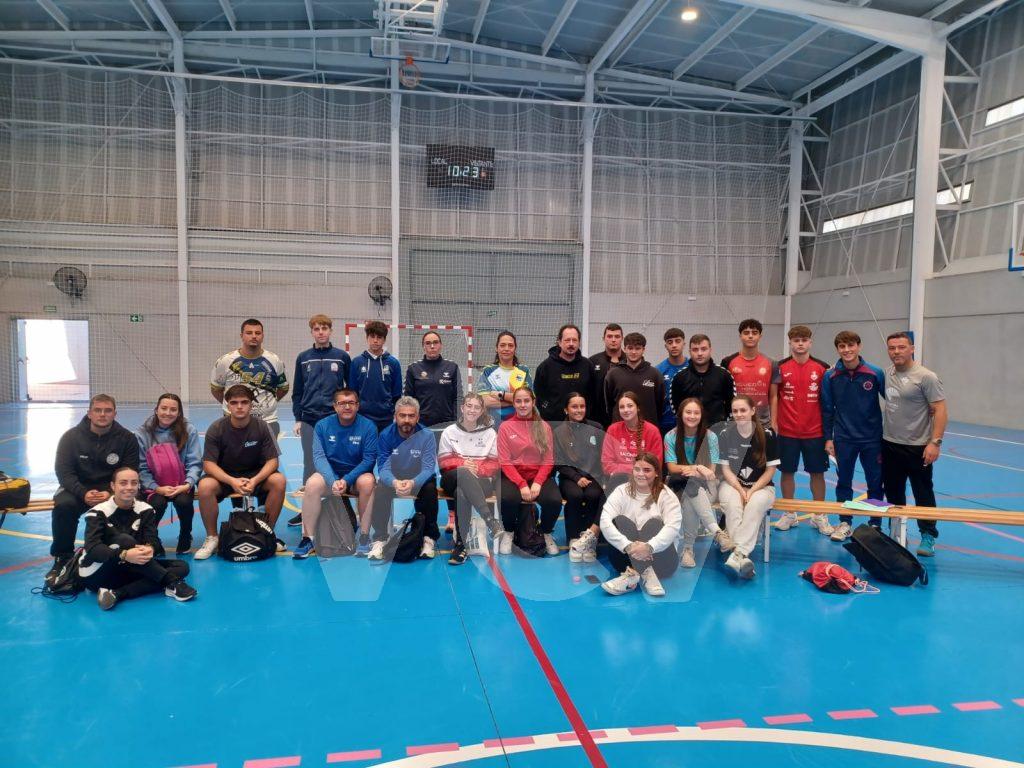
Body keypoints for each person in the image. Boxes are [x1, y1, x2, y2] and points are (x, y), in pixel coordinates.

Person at [48, 394, 139, 586]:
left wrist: (111, 492)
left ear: (115, 414)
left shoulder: (127, 438)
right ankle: (62, 557)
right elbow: (64, 472)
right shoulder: (70, 437)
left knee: (129, 504)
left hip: (111, 489)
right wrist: (82, 493)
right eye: (98, 410)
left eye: (108, 410)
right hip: (77, 489)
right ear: (89, 413)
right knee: (64, 506)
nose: (102, 414)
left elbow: (130, 470)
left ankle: (118, 553)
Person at [79, 467, 196, 610]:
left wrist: (150, 548)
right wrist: (124, 554)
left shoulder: (146, 509)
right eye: (123, 483)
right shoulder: (97, 512)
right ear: (113, 486)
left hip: (128, 568)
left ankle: (117, 594)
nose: (129, 487)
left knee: (181, 566)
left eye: (134, 483)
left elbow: (153, 540)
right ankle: (172, 582)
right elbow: (93, 548)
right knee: (125, 540)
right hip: (97, 574)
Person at [194, 384, 286, 560]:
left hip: (255, 476)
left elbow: (273, 461)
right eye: (234, 402)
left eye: (244, 402)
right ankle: (212, 538)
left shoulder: (262, 427)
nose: (239, 406)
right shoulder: (216, 428)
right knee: (205, 486)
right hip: (226, 477)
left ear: (251, 404)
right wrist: (231, 481)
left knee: (278, 481)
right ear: (227, 405)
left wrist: (255, 480)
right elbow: (208, 465)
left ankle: (267, 533)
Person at [882, 332, 948, 557]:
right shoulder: (887, 373)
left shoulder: (926, 377)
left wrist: (935, 442)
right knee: (893, 492)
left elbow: (940, 409)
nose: (896, 352)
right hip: (890, 444)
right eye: (892, 348)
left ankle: (928, 535)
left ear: (912, 349)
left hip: (918, 447)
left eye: (901, 347)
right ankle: (896, 531)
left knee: (923, 493)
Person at [292, 389, 378, 560]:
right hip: (330, 476)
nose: (347, 407)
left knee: (368, 482)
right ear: (335, 406)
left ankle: (364, 536)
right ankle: (308, 539)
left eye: (351, 403)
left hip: (355, 477)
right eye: (342, 403)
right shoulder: (322, 425)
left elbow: (369, 460)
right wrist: (332, 481)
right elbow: (319, 457)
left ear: (358, 406)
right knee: (312, 484)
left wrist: (346, 480)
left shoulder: (368, 426)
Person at [821, 330, 886, 542]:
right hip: (844, 438)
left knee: (875, 482)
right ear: (837, 349)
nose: (847, 350)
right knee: (844, 482)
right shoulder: (830, 376)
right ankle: (845, 522)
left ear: (859, 346)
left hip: (872, 439)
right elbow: (827, 409)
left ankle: (875, 523)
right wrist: (828, 438)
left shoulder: (875, 373)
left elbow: (894, 401)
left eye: (851, 345)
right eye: (842, 346)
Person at [769, 325, 833, 536]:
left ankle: (819, 515)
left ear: (810, 343)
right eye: (796, 340)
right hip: (787, 432)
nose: (800, 344)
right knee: (787, 472)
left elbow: (827, 401)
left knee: (817, 473)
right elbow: (774, 396)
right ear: (790, 343)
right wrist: (774, 422)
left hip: (815, 432)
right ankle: (789, 513)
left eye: (804, 340)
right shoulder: (780, 367)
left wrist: (829, 433)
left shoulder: (822, 368)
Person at [367, 397, 440, 561]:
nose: (406, 419)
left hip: (419, 478)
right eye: (402, 415)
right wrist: (394, 482)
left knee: (430, 490)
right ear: (395, 416)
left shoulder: (427, 435)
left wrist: (413, 482)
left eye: (411, 415)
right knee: (380, 489)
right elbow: (383, 468)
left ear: (418, 417)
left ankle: (428, 538)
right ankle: (380, 539)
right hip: (395, 478)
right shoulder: (385, 435)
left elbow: (428, 468)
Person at [599, 453, 681, 597]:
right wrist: (628, 546)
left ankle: (634, 576)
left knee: (654, 523)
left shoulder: (666, 495)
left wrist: (649, 547)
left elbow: (672, 527)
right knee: (620, 520)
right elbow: (605, 521)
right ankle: (643, 573)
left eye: (647, 470)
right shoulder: (621, 491)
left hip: (662, 563)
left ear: (656, 473)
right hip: (625, 560)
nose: (641, 474)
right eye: (637, 469)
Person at [717, 395, 780, 580]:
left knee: (754, 504)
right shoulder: (725, 434)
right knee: (733, 505)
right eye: (735, 411)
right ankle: (742, 557)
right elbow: (726, 470)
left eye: (743, 410)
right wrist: (739, 488)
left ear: (753, 411)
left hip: (762, 487)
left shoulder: (767, 435)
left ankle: (738, 552)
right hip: (732, 484)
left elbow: (770, 471)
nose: (739, 414)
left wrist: (751, 491)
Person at [664, 398, 732, 568]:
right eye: (688, 412)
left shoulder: (711, 437)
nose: (692, 416)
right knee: (690, 488)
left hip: (707, 486)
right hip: (679, 485)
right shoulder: (671, 436)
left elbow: (710, 472)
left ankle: (688, 549)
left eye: (696, 413)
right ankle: (717, 532)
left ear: (701, 416)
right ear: (681, 414)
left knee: (691, 491)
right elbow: (672, 468)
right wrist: (697, 467)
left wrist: (697, 471)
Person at [291, 313, 351, 506]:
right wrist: (298, 418)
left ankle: (340, 507)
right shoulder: (303, 358)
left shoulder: (342, 357)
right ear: (312, 332)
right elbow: (297, 392)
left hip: (334, 419)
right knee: (309, 461)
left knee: (336, 460)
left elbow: (350, 391)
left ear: (330, 331)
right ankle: (307, 510)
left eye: (324, 328)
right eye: (316, 329)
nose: (321, 332)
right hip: (309, 419)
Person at [437, 394, 502, 565]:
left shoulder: (490, 433)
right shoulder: (449, 432)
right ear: (462, 408)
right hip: (451, 477)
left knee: (461, 492)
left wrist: (478, 469)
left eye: (477, 407)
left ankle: (460, 545)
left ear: (481, 411)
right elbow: (443, 462)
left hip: (480, 481)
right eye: (469, 406)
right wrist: (463, 464)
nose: (472, 410)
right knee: (463, 474)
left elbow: (494, 463)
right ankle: (490, 520)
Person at [496, 387, 561, 557]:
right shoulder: (505, 427)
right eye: (518, 401)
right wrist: (521, 484)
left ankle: (546, 532)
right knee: (508, 498)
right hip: (513, 476)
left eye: (526, 401)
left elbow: (548, 460)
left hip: (538, 476)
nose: (523, 405)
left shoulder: (544, 427)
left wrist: (538, 482)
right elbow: (504, 461)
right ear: (514, 404)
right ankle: (509, 532)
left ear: (533, 402)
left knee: (554, 501)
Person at [135, 393, 202, 556]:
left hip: (181, 484)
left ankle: (185, 535)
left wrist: (187, 484)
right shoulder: (142, 433)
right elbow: (141, 468)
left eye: (173, 409)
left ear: (179, 413)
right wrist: (156, 487)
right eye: (163, 408)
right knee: (157, 504)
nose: (168, 413)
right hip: (154, 486)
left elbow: (194, 462)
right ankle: (152, 539)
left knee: (184, 502)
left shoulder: (189, 430)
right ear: (156, 410)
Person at [211, 318, 289, 436]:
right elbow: (216, 389)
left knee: (270, 449)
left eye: (257, 333)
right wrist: (233, 406)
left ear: (263, 336)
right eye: (249, 333)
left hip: (267, 420)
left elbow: (283, 388)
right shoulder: (225, 361)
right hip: (233, 420)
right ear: (241, 336)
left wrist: (268, 403)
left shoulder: (275, 360)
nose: (254, 336)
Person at [553, 393, 605, 563]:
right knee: (574, 495)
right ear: (566, 409)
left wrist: (591, 476)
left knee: (593, 495)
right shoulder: (558, 432)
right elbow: (559, 462)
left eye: (582, 406)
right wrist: (576, 477)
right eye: (574, 406)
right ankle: (574, 538)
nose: (579, 410)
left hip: (593, 477)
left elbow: (602, 456)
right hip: (570, 477)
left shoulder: (596, 428)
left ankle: (589, 539)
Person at [602, 391, 663, 492]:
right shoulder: (612, 429)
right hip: (617, 479)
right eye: (622, 407)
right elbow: (606, 464)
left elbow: (656, 464)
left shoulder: (652, 431)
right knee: (617, 480)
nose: (626, 410)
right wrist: (631, 469)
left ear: (638, 408)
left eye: (630, 406)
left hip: (644, 480)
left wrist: (627, 469)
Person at [670, 334, 735, 428]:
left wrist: (723, 425)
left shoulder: (724, 375)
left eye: (703, 349)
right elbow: (676, 407)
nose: (699, 353)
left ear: (710, 350)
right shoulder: (679, 377)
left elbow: (732, 405)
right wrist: (687, 425)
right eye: (695, 349)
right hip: (689, 431)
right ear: (690, 352)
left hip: (718, 431)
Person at [350, 320, 403, 433]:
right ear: (367, 338)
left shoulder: (393, 363)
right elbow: (353, 392)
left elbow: (397, 393)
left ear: (384, 339)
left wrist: (392, 411)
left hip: (386, 419)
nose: (375, 340)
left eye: (379, 337)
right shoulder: (356, 362)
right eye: (372, 336)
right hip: (363, 418)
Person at [721, 319, 777, 427]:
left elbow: (773, 396)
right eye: (746, 333)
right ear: (740, 336)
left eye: (754, 333)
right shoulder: (727, 362)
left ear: (760, 336)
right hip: (735, 422)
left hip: (763, 423)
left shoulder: (772, 363)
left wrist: (774, 423)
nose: (750, 336)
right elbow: (724, 394)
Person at [404, 330, 463, 430]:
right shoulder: (413, 368)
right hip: (421, 425)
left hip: (447, 425)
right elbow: (408, 399)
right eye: (428, 343)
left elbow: (458, 397)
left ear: (441, 345)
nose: (432, 346)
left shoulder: (452, 367)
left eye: (435, 342)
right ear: (423, 346)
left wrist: (457, 421)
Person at [534, 324, 593, 422]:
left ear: (579, 343)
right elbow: (539, 396)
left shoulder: (587, 366)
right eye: (567, 340)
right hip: (553, 423)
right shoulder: (545, 367)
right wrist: (548, 412)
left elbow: (593, 396)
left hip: (582, 424)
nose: (571, 344)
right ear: (559, 342)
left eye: (574, 340)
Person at [603, 332, 664, 426]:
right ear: (624, 349)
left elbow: (660, 406)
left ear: (643, 350)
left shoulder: (655, 374)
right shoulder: (613, 374)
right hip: (620, 428)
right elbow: (609, 406)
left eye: (637, 348)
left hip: (647, 428)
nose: (634, 352)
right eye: (630, 348)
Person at [477, 330, 533, 425]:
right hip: (493, 424)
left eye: (510, 345)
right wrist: (516, 401)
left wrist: (501, 395)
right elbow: (485, 401)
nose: (506, 349)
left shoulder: (524, 371)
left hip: (519, 424)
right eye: (502, 345)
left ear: (515, 348)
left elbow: (529, 400)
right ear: (496, 348)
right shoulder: (487, 371)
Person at [588, 323, 624, 427]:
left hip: (624, 418)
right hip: (597, 420)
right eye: (609, 336)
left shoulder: (629, 361)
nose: (613, 340)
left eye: (617, 336)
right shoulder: (592, 361)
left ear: (622, 338)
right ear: (603, 339)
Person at [656, 328, 688, 435]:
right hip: (666, 423)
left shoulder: (693, 367)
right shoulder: (659, 370)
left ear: (684, 344)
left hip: (690, 421)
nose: (674, 345)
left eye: (677, 341)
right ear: (666, 346)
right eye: (670, 342)